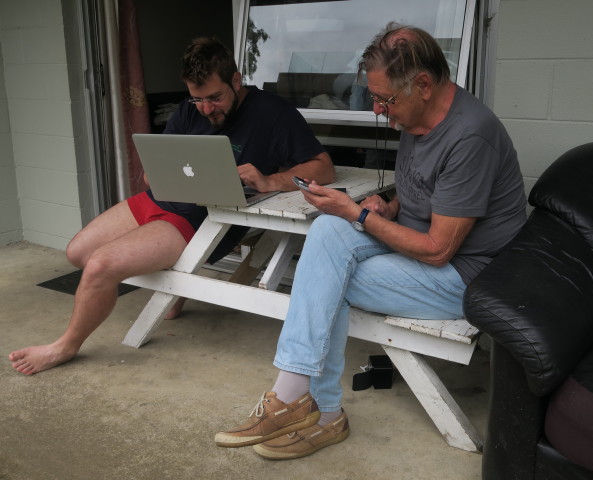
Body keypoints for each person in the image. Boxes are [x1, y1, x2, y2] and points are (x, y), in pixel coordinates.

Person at [213, 22, 528, 459]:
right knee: (325, 231)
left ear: (423, 84)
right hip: (419, 248)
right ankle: (300, 401)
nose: (379, 110)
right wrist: (388, 206)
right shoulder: (416, 114)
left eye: (385, 99)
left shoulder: (470, 136)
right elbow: (421, 191)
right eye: (375, 98)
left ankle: (312, 409)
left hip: (466, 276)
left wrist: (357, 213)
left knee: (325, 279)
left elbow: (439, 248)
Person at [9, 36, 335, 375]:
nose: (206, 109)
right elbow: (155, 172)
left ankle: (65, 346)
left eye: (215, 98)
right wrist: (156, 174)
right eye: (198, 100)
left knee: (99, 266)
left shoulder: (273, 112)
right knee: (77, 253)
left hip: (198, 219)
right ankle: (176, 282)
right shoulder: (186, 109)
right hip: (159, 200)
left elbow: (323, 167)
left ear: (236, 82)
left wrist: (270, 181)